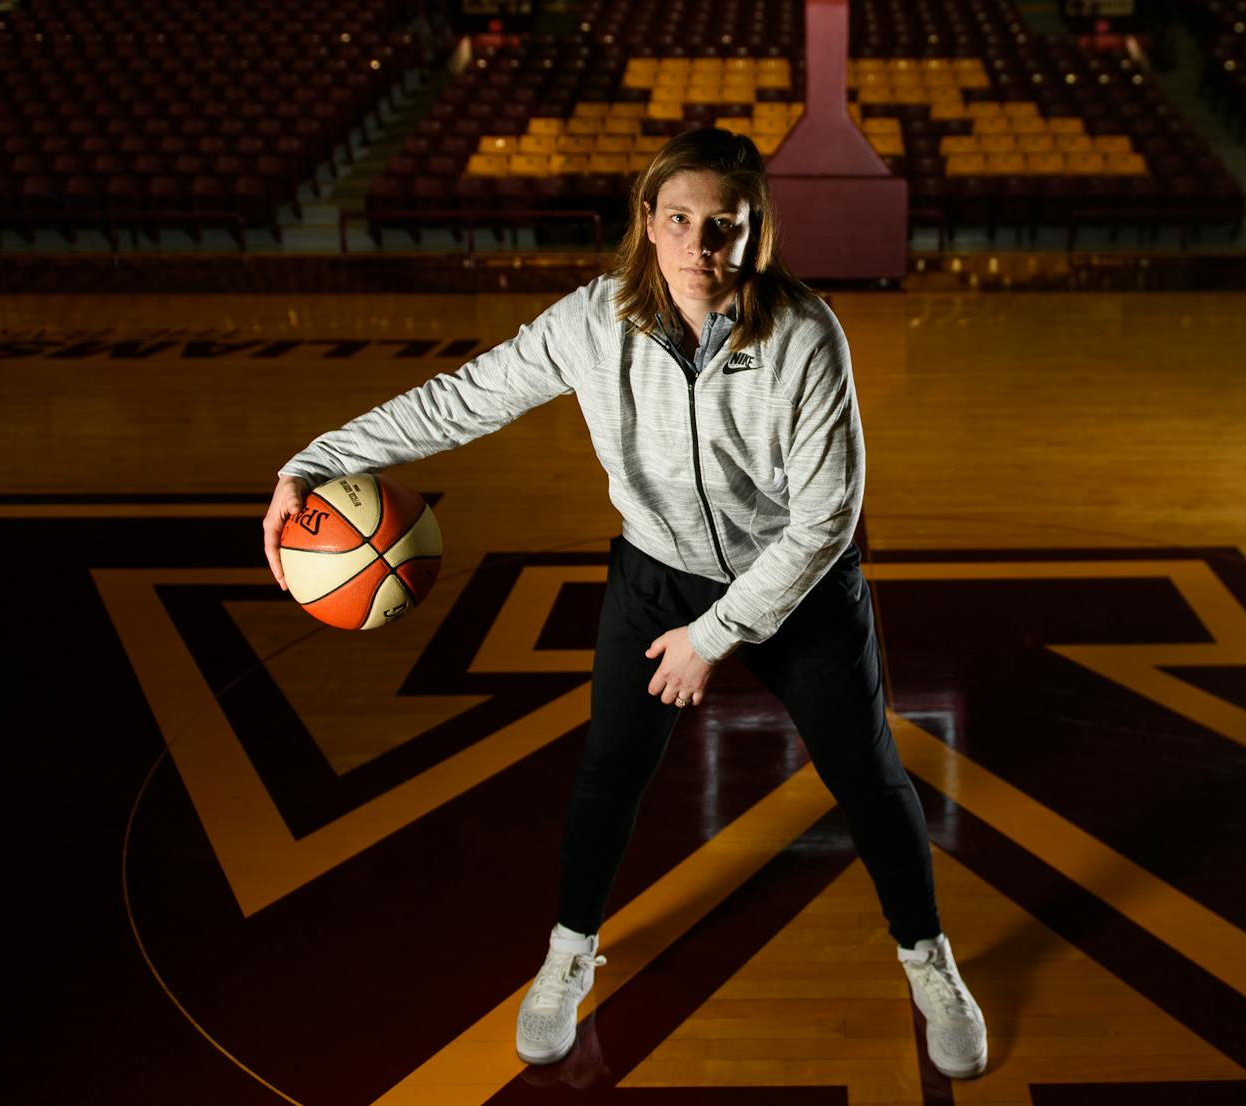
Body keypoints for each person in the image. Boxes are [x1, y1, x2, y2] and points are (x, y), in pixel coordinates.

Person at [261, 127, 987, 1080]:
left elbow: (826, 517)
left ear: (754, 231)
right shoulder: (591, 322)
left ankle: (927, 958)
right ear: (647, 223)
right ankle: (569, 952)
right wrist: (316, 460)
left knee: (870, 776)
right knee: (609, 769)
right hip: (657, 575)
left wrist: (716, 637)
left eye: (721, 225)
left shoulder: (805, 335)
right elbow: (458, 401)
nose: (699, 245)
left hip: (796, 585)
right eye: (678, 219)